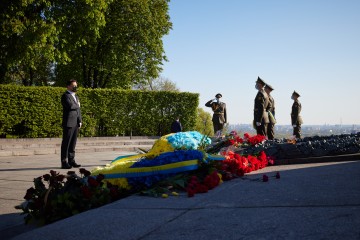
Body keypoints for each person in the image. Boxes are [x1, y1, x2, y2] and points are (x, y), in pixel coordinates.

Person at [60, 79, 82, 169]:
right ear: (68, 86)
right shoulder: (65, 96)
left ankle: (71, 160)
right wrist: (78, 105)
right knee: (66, 143)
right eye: (73, 85)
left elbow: (78, 110)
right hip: (68, 122)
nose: (75, 87)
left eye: (76, 85)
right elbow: (70, 106)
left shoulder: (76, 97)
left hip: (75, 123)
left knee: (73, 143)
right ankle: (64, 162)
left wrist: (80, 120)